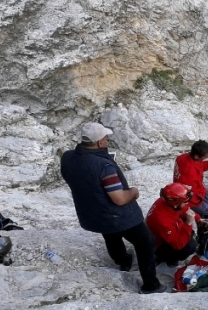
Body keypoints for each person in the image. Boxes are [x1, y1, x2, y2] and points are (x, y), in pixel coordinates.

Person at [61, 122, 167, 294]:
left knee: (110, 235)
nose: (107, 141)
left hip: (93, 212)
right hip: (118, 215)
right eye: (105, 138)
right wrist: (133, 192)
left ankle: (123, 261)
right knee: (145, 242)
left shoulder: (67, 157)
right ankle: (151, 284)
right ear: (99, 143)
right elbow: (119, 198)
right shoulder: (104, 166)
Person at [146, 183, 208, 267]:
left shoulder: (166, 201)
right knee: (190, 246)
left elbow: (183, 208)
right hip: (159, 244)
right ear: (176, 204)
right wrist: (188, 223)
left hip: (166, 231)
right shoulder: (163, 220)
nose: (187, 204)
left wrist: (198, 219)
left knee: (197, 211)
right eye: (185, 202)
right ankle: (169, 259)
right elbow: (178, 245)